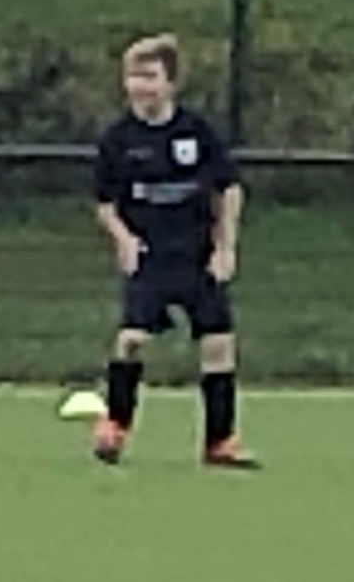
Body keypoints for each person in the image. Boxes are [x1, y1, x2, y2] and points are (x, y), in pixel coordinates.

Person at [90, 36, 254, 470]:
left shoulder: (197, 132)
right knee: (132, 340)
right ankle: (115, 425)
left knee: (218, 345)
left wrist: (225, 247)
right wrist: (124, 239)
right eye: (133, 76)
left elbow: (229, 189)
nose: (139, 86)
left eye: (149, 76)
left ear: (171, 83)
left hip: (197, 255)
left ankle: (220, 441)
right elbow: (105, 204)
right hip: (151, 257)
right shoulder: (118, 139)